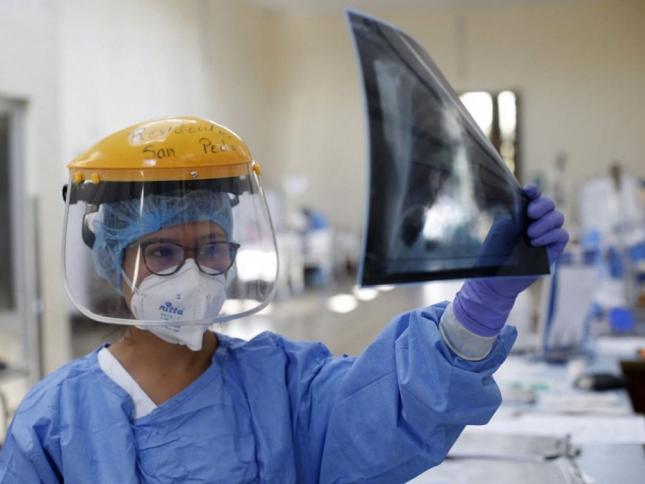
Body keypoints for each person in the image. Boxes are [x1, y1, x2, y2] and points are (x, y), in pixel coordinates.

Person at [0, 116, 568, 483]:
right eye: (164, 253)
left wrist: (480, 306)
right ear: (115, 260)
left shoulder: (285, 386)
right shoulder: (54, 422)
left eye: (212, 249)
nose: (193, 275)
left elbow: (394, 409)